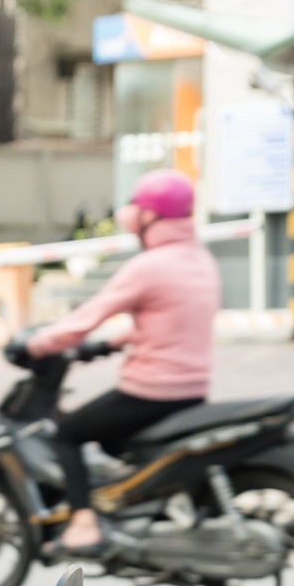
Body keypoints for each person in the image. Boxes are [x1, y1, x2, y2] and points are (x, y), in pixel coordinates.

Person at [26, 168, 220, 555]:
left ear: (150, 216)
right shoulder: (201, 260)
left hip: (149, 393)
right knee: (114, 440)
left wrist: (39, 343)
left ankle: (83, 523)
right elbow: (173, 321)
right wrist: (119, 341)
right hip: (192, 393)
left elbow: (87, 317)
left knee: (68, 433)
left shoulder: (150, 266)